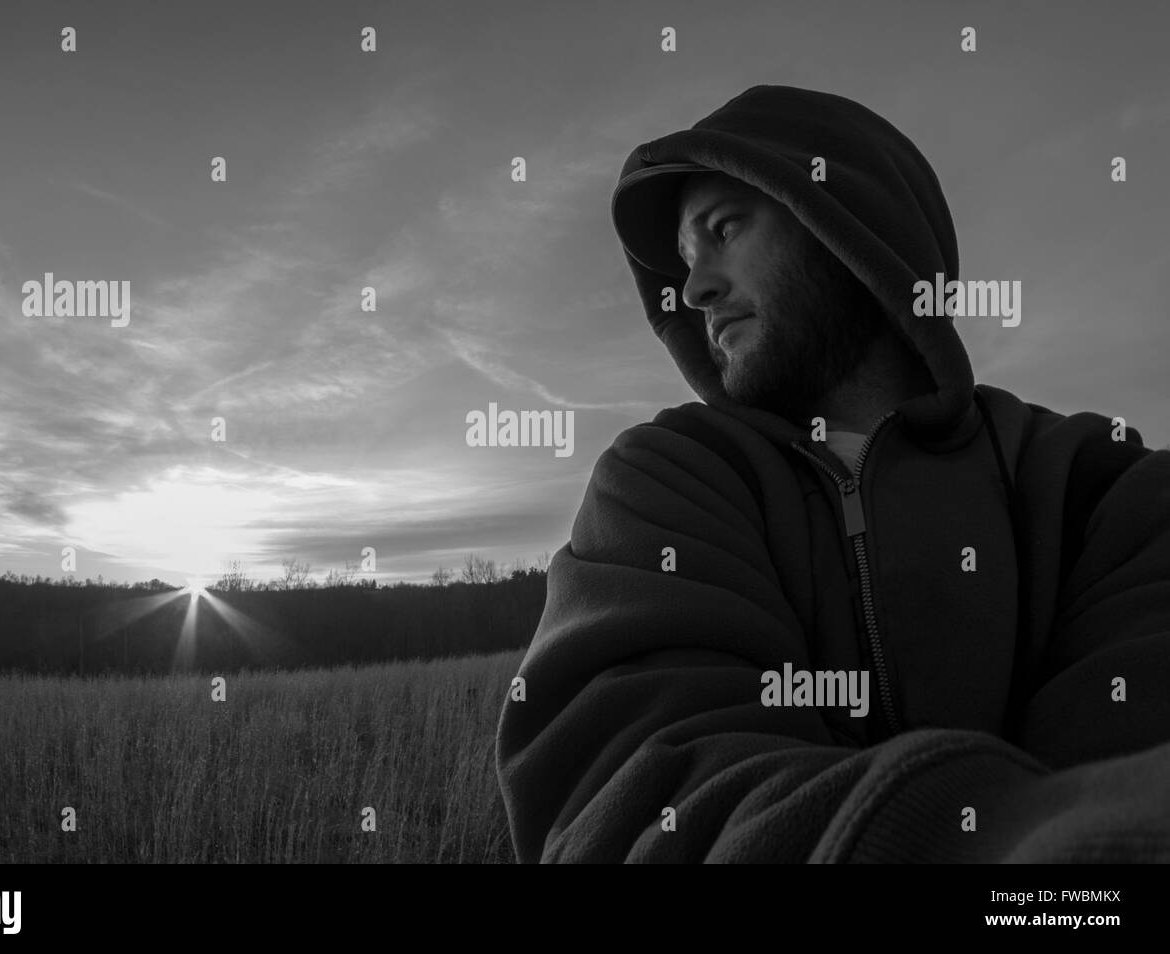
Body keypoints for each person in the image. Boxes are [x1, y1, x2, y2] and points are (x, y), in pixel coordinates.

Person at [494, 84, 1170, 863]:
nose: (694, 288)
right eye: (684, 259)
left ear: (849, 229)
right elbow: (629, 794)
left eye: (724, 230)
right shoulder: (665, 484)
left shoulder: (1094, 482)